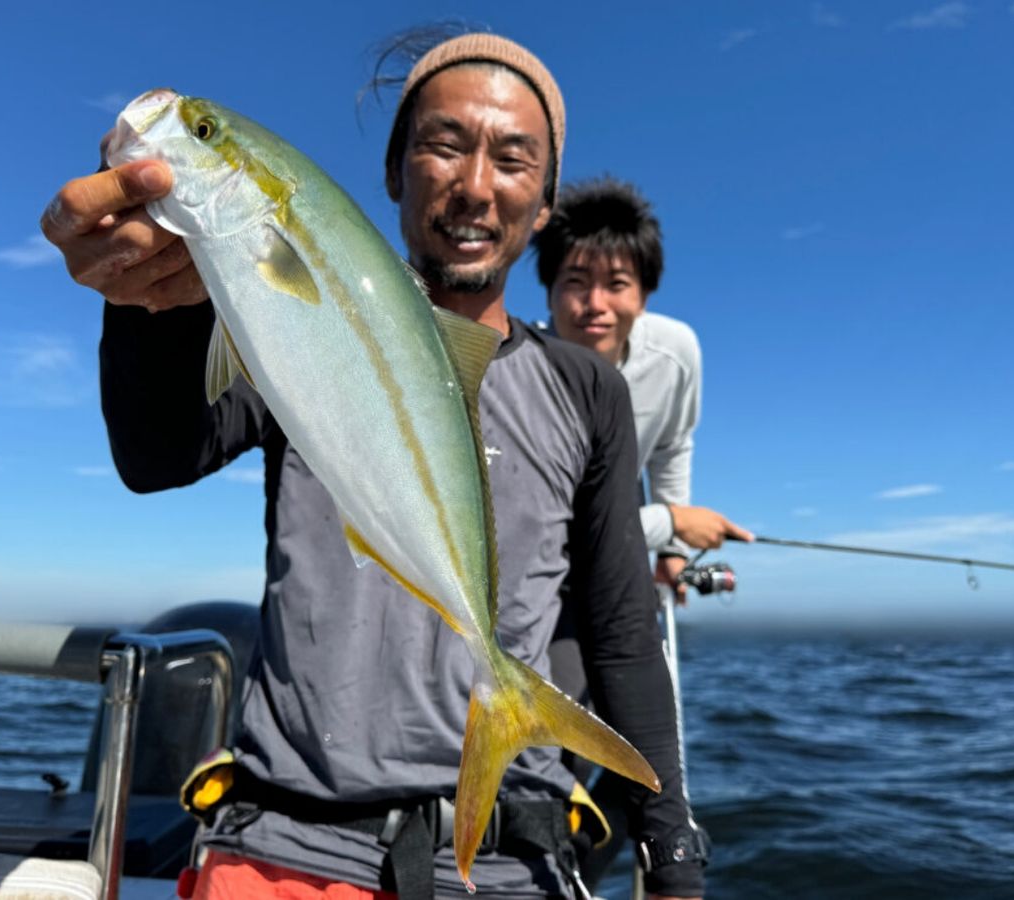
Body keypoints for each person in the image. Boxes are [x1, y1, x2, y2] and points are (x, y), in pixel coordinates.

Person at [41, 31, 705, 900]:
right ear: (394, 172)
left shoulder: (585, 389)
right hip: (282, 844)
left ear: (543, 203)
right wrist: (147, 303)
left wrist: (672, 845)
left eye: (512, 159)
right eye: (443, 144)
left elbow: (620, 629)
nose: (474, 185)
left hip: (508, 863)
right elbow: (158, 455)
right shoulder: (280, 322)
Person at [534, 177, 753, 603]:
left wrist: (672, 552)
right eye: (576, 282)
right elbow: (553, 525)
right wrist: (671, 523)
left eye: (616, 284)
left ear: (644, 295)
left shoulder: (675, 352)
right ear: (548, 292)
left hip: (622, 539)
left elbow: (672, 445)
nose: (595, 303)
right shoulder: (517, 371)